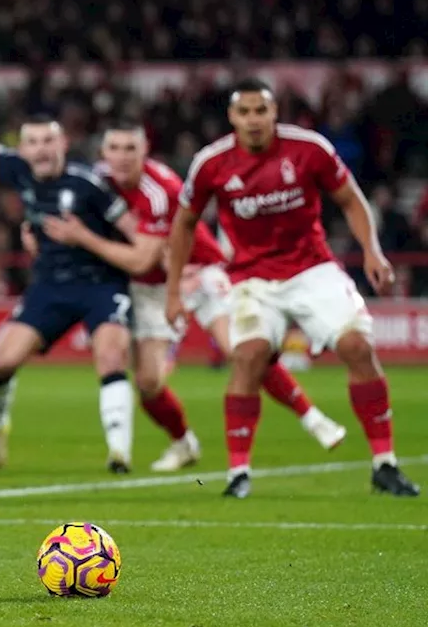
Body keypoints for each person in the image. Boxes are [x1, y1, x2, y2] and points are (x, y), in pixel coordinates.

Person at [40, 123, 347, 472]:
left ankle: (312, 418)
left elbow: (142, 256)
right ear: (103, 153)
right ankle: (183, 442)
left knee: (240, 350)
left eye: (131, 149)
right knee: (148, 382)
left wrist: (81, 236)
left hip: (199, 270)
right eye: (115, 148)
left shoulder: (160, 189)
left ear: (145, 151)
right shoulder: (96, 184)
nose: (122, 158)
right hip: (147, 285)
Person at [166, 78, 419, 498]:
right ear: (232, 118)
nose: (252, 120)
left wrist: (371, 250)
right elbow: (184, 225)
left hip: (312, 270)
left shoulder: (309, 149)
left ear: (273, 113)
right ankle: (238, 473)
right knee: (248, 356)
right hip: (252, 278)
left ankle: (384, 463)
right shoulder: (211, 163)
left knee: (357, 346)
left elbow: (351, 198)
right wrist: (174, 291)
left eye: (260, 111)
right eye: (244, 112)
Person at [0, 55, 137, 473]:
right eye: (31, 142)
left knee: (110, 354)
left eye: (48, 142)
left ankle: (119, 453)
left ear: (63, 144)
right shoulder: (19, 171)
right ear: (23, 146)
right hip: (49, 286)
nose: (40, 150)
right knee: (1, 363)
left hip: (101, 284)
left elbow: (139, 234)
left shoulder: (90, 185)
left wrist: (85, 239)